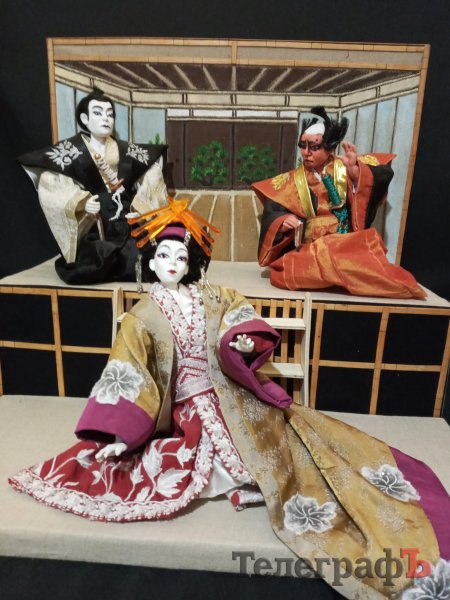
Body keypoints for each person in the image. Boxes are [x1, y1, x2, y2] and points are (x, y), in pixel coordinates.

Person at [9, 199, 449, 599]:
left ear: (192, 263)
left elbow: (241, 317)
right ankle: (244, 478)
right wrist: (121, 432)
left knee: (293, 445)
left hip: (233, 393)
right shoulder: (141, 317)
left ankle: (265, 480)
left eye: (181, 257)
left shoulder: (214, 296)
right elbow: (128, 371)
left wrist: (240, 341)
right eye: (164, 256)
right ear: (151, 260)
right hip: (186, 406)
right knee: (187, 456)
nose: (172, 264)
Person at [253, 106, 426, 299]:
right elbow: (273, 211)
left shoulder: (345, 169)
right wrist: (282, 222)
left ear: (330, 148)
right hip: (310, 248)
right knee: (288, 271)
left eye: (314, 147)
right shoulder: (293, 180)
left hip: (345, 241)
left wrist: (356, 174)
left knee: (362, 261)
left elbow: (380, 176)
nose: (306, 152)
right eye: (303, 145)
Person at [18, 88, 168, 284]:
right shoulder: (73, 150)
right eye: (97, 113)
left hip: (125, 221)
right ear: (85, 119)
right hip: (95, 222)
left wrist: (140, 210)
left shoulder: (126, 150)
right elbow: (51, 181)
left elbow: (152, 169)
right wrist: (81, 202)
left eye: (110, 114)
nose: (105, 118)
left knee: (140, 258)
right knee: (95, 259)